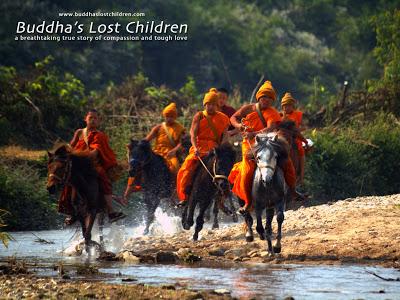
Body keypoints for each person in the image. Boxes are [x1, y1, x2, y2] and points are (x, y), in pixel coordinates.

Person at [228, 81, 300, 213]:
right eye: (263, 97)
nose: (266, 100)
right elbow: (233, 118)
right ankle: (248, 202)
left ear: (272, 100)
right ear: (258, 97)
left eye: (269, 98)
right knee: (247, 169)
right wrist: (239, 126)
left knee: (287, 162)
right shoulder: (248, 108)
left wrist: (253, 133)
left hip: (267, 143)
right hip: (249, 145)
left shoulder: (272, 113)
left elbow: (270, 127)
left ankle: (293, 190)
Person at [66, 109, 126, 224]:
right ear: (85, 119)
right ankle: (70, 211)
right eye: (90, 118)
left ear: (99, 121)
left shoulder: (100, 135)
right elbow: (71, 146)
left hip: (93, 165)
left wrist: (84, 156)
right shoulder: (79, 132)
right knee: (67, 178)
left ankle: (110, 211)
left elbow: (95, 152)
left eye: (95, 118)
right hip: (78, 165)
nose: (92, 120)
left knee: (104, 179)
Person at [176, 88, 230, 204]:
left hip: (214, 149)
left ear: (216, 105)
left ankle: (223, 197)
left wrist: (221, 148)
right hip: (199, 147)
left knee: (225, 168)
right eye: (208, 104)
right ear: (204, 104)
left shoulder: (224, 118)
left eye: (213, 105)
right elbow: (193, 134)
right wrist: (195, 148)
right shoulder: (199, 116)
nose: (210, 107)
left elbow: (225, 136)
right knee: (185, 169)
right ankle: (185, 196)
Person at [123, 103, 185, 201]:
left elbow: (181, 143)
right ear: (164, 116)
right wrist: (136, 146)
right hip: (157, 152)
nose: (169, 118)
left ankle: (175, 192)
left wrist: (174, 151)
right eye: (167, 116)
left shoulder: (179, 128)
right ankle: (128, 192)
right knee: (137, 164)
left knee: (176, 169)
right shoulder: (159, 127)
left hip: (170, 154)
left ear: (175, 117)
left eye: (171, 116)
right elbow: (147, 139)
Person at [280, 92, 308, 185]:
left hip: (296, 137)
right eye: (284, 106)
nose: (286, 108)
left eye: (288, 106)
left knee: (301, 150)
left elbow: (304, 127)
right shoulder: (280, 115)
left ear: (292, 106)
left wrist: (296, 130)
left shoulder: (298, 114)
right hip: (283, 138)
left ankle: (302, 176)